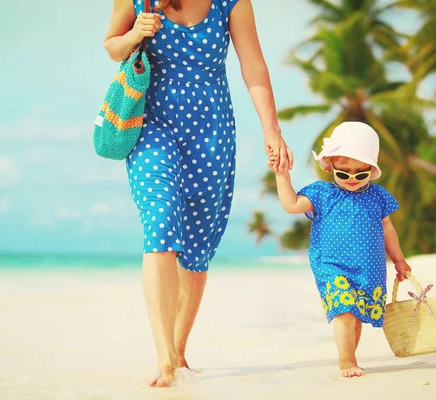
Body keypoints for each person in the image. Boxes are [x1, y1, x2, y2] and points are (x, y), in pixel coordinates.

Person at [103, 0, 293, 387]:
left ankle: (178, 349)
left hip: (211, 129)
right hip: (151, 122)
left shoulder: (232, 3)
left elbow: (253, 66)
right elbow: (111, 46)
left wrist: (271, 129)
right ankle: (164, 361)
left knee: (197, 244)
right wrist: (136, 33)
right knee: (160, 220)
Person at [267, 121, 412, 378]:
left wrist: (399, 260)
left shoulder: (377, 196)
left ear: (372, 169)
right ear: (330, 166)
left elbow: (388, 230)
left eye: (361, 173)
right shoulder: (322, 193)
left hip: (369, 268)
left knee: (356, 317)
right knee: (344, 309)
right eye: (344, 173)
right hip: (331, 264)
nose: (353, 179)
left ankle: (349, 356)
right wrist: (281, 174)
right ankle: (346, 361)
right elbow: (291, 204)